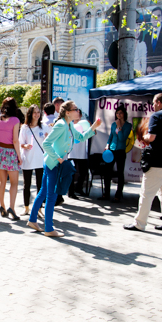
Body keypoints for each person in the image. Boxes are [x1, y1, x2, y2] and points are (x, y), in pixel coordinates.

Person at [27, 101, 101, 237]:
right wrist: (58, 157)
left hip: (52, 163)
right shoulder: (61, 125)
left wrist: (93, 128)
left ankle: (32, 220)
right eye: (75, 109)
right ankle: (49, 229)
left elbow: (81, 137)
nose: (77, 111)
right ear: (67, 112)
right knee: (51, 196)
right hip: (53, 164)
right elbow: (46, 143)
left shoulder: (69, 125)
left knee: (44, 193)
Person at [124, 93, 162, 233]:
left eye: (153, 103)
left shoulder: (156, 116)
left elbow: (151, 137)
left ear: (158, 102)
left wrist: (145, 136)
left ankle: (139, 223)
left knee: (147, 193)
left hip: (157, 161)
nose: (152, 105)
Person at [0, 97, 22, 220]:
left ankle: (2, 206)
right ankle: (11, 208)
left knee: (2, 181)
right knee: (14, 182)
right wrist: (19, 156)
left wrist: (0, 135)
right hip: (10, 152)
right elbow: (15, 140)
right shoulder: (15, 120)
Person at [19, 104, 50, 215]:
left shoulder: (44, 127)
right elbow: (20, 143)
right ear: (30, 114)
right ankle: (26, 207)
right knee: (26, 185)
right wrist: (25, 146)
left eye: (38, 112)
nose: (37, 114)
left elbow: (49, 143)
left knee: (40, 186)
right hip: (27, 159)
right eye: (34, 112)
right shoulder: (25, 128)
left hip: (40, 160)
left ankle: (39, 209)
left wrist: (47, 138)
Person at [102, 106, 132, 202]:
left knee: (120, 173)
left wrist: (119, 127)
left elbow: (122, 138)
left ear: (124, 114)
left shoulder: (128, 125)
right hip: (111, 150)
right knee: (107, 172)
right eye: (117, 113)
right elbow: (110, 137)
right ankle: (106, 194)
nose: (118, 115)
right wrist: (107, 145)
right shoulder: (113, 124)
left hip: (120, 151)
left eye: (120, 113)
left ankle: (118, 195)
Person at [67, 110, 89, 200]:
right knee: (72, 173)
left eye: (78, 114)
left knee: (83, 172)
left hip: (82, 152)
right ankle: (71, 192)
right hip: (72, 152)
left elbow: (90, 134)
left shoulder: (85, 124)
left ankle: (78, 188)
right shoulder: (70, 125)